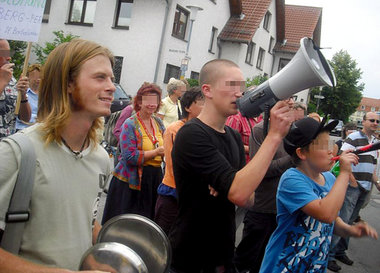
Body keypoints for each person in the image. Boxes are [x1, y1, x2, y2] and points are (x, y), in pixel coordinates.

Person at [0, 39, 115, 272]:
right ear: (68, 84)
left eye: (112, 78)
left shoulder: (100, 158)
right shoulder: (18, 152)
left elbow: (82, 221)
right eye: (100, 77)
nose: (112, 86)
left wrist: (109, 254)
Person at [169, 59, 294, 273]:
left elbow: (249, 197)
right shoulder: (191, 134)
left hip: (223, 253)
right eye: (232, 85)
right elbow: (239, 192)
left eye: (242, 87)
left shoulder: (234, 137)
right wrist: (274, 136)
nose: (239, 93)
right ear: (207, 90)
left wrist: (232, 185)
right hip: (192, 255)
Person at [259, 117, 377, 273]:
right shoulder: (292, 179)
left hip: (313, 265)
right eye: (323, 145)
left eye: (330, 143)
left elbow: (332, 220)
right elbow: (325, 213)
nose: (331, 150)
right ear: (301, 153)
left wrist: (349, 230)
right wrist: (344, 173)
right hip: (284, 265)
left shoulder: (328, 178)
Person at [234, 97, 304, 273]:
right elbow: (263, 170)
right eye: (287, 98)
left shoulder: (291, 129)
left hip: (282, 207)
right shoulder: (260, 130)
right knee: (247, 257)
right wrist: (294, 158)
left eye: (293, 98)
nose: (291, 102)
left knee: (267, 259)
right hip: (262, 207)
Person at [102, 82, 165, 222]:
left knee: (146, 223)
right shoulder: (130, 124)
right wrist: (156, 152)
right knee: (125, 223)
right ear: (139, 101)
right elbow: (130, 157)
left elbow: (166, 145)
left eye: (154, 101)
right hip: (130, 182)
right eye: (147, 100)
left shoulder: (158, 123)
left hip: (152, 179)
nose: (151, 104)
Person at [328, 112, 380, 272]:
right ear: (363, 122)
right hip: (352, 186)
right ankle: (328, 255)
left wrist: (376, 182)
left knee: (350, 220)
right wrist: (351, 180)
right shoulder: (353, 138)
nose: (375, 123)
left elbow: (372, 165)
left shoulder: (376, 142)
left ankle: (340, 252)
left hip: (365, 186)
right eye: (372, 120)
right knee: (343, 218)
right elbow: (343, 159)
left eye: (378, 121)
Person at [154, 87, 204, 235]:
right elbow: (172, 165)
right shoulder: (175, 129)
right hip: (174, 192)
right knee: (163, 238)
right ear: (188, 107)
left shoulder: (206, 129)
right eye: (202, 102)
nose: (206, 106)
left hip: (195, 196)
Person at [0, 39, 31, 139]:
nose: (9, 57)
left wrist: (23, 95)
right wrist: (2, 82)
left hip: (6, 147)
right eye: (3, 53)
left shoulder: (11, 79)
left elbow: (25, 118)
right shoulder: (5, 78)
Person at [15, 64, 41, 131]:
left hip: (39, 130)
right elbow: (18, 116)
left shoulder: (46, 95)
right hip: (22, 129)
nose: (38, 79)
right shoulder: (20, 92)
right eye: (35, 76)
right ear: (28, 77)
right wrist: (38, 119)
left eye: (40, 77)